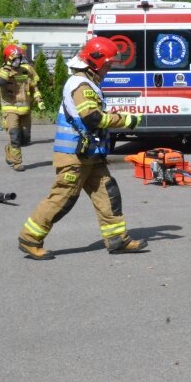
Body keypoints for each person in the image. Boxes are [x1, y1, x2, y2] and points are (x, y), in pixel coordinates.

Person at [17, 37, 147, 260]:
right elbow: (92, 118)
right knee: (61, 199)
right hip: (74, 158)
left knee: (108, 194)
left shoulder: (89, 82)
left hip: (89, 155)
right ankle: (30, 238)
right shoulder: (81, 84)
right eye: (108, 63)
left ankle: (117, 240)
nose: (109, 68)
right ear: (95, 62)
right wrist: (126, 120)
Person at [0, 44, 44, 172]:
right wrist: (8, 69)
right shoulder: (2, 72)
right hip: (9, 108)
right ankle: (17, 163)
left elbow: (34, 86)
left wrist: (39, 99)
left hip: (25, 108)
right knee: (15, 137)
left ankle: (9, 149)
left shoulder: (27, 70)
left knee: (25, 139)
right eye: (14, 58)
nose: (18, 60)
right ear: (8, 58)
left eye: (19, 58)